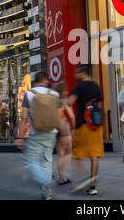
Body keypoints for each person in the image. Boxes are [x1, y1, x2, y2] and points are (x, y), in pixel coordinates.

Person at [16, 72, 67, 200]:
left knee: (31, 160)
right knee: (47, 161)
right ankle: (46, 193)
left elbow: (23, 118)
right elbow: (60, 117)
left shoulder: (29, 94)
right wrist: (65, 135)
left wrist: (20, 137)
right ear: (46, 81)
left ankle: (44, 181)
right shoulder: (55, 94)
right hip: (51, 133)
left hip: (36, 133)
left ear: (35, 81)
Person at [68, 65, 103, 196]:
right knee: (94, 156)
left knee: (77, 155)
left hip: (83, 126)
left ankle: (82, 180)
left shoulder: (79, 86)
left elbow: (70, 102)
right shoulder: (96, 86)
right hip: (96, 125)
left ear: (83, 73)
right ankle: (92, 185)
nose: (75, 75)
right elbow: (98, 106)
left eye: (77, 73)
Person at [52, 82, 75, 185]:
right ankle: (61, 174)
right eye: (66, 90)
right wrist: (73, 129)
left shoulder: (52, 101)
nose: (67, 91)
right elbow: (71, 116)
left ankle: (61, 176)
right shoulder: (63, 102)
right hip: (63, 129)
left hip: (54, 130)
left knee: (60, 154)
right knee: (68, 153)